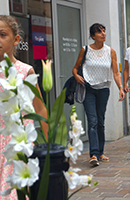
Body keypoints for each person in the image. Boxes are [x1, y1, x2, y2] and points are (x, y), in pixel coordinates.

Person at [0, 15, 48, 199]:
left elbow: (40, 108)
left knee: (14, 194)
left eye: (2, 34)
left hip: (18, 145)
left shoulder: (24, 71)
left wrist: (48, 145)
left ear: (16, 39)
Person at [73, 23, 125, 166]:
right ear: (92, 35)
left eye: (104, 31)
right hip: (88, 88)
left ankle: (101, 152)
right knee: (93, 121)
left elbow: (115, 72)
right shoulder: (85, 50)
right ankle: (93, 154)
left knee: (100, 121)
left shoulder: (111, 51)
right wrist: (76, 76)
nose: (103, 34)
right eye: (99, 32)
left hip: (103, 90)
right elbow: (75, 68)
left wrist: (120, 87)